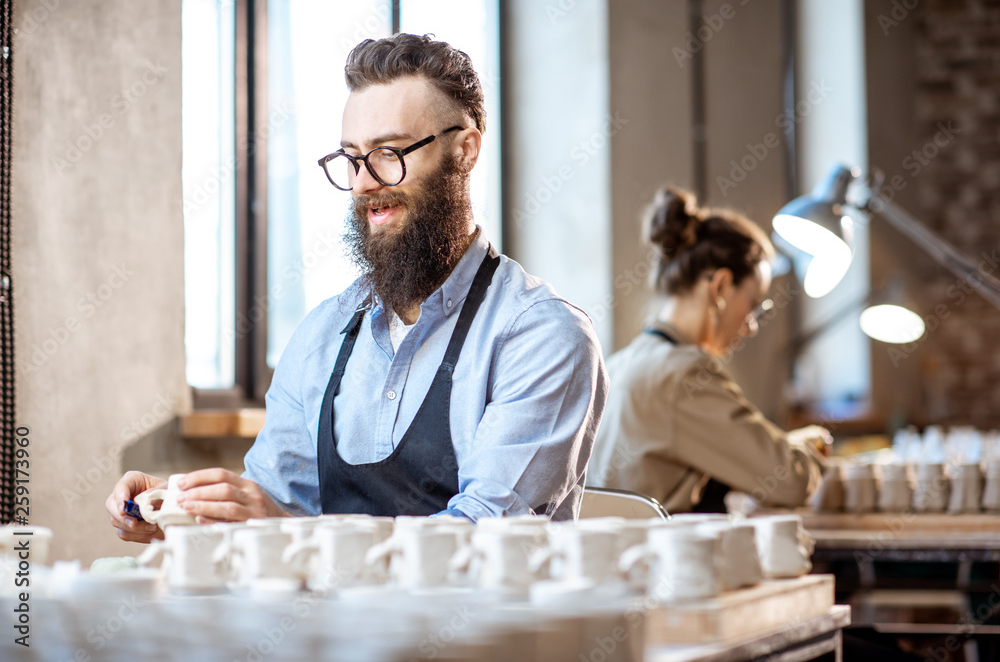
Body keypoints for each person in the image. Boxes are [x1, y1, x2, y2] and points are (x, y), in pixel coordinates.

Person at [106, 34, 608, 542]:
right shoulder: (321, 336)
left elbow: (477, 543)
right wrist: (190, 512)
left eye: (389, 153)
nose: (365, 182)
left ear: (465, 150)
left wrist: (285, 533)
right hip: (326, 625)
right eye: (352, 158)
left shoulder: (542, 336)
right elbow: (275, 504)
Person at [588, 187, 827, 513]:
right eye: (754, 305)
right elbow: (789, 482)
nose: (752, 325)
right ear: (720, 287)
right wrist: (811, 453)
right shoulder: (685, 374)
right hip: (668, 558)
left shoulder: (617, 365)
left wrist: (786, 446)